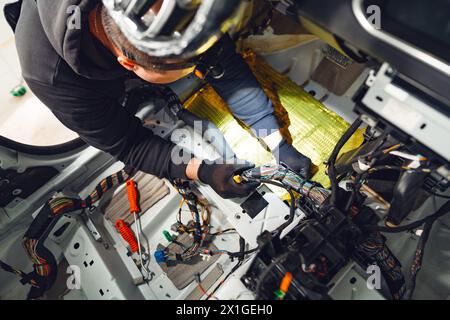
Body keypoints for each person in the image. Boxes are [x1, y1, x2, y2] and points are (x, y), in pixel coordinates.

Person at [14, 0, 312, 199]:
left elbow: (225, 69)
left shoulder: (173, 15)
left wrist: (277, 143)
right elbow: (130, 144)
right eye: (193, 67)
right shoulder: (52, 78)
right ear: (129, 66)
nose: (202, 70)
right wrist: (204, 171)